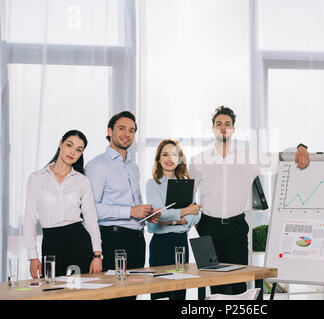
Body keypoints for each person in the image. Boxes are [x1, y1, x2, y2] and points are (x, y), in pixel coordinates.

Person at [189, 106, 310, 295]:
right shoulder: (198, 160)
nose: (223, 128)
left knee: (239, 285)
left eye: (227, 124)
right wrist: (196, 222)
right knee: (213, 286)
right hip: (207, 228)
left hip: (236, 228)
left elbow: (277, 158)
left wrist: (300, 147)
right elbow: (189, 196)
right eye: (219, 124)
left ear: (233, 129)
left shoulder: (248, 156)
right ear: (212, 129)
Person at [85, 111, 160, 285]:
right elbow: (91, 210)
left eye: (131, 130)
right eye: (122, 128)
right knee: (113, 294)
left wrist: (147, 215)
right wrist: (131, 211)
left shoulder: (134, 167)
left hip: (137, 241)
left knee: (132, 294)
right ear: (110, 131)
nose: (127, 134)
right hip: (112, 241)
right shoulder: (97, 166)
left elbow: (135, 204)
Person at [24, 130, 103, 279]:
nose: (72, 152)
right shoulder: (36, 178)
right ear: (60, 143)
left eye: (78, 150)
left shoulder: (82, 181)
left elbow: (91, 220)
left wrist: (97, 255)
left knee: (83, 294)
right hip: (51, 243)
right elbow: (29, 220)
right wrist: (32, 257)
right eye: (69, 145)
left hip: (79, 242)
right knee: (52, 292)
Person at [146, 139, 201, 300]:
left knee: (178, 292)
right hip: (161, 245)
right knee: (160, 292)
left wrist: (174, 221)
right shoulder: (152, 184)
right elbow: (159, 214)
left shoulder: (186, 184)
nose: (169, 159)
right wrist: (186, 211)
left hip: (180, 243)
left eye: (174, 154)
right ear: (158, 159)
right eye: (165, 154)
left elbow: (196, 215)